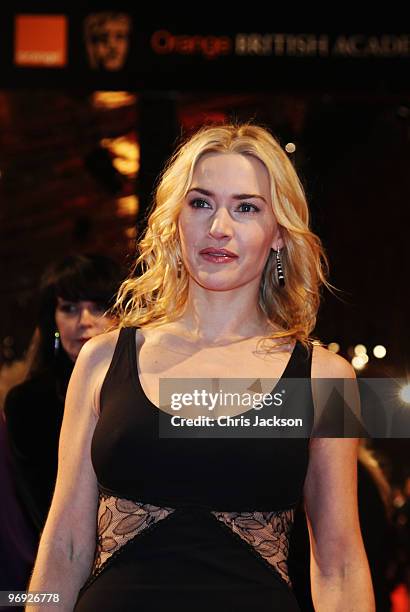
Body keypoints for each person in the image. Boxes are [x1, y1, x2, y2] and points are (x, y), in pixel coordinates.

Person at [28, 124, 375, 611]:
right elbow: (63, 545)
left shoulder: (327, 378)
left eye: (247, 208)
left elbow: (339, 565)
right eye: (201, 203)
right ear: (175, 220)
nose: (219, 228)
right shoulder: (103, 359)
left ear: (278, 234)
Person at [4, 253, 122, 537]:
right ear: (52, 323)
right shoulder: (28, 404)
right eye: (69, 308)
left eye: (100, 307)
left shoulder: (150, 391)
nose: (84, 320)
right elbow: (44, 510)